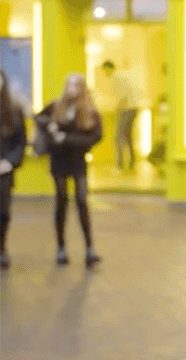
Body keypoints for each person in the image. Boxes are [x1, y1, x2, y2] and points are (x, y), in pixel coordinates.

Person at [35, 73, 103, 267]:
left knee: (82, 201)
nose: (71, 88)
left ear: (82, 88)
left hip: (78, 162)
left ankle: (89, 249)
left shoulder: (89, 112)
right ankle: (61, 247)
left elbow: (93, 138)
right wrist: (51, 127)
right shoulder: (55, 107)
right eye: (69, 84)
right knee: (61, 201)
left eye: (76, 84)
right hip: (59, 162)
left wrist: (65, 138)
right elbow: (39, 119)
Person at [0, 69, 28, 270]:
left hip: (4, 172)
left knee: (3, 213)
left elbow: (20, 143)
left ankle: (1, 248)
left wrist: (9, 162)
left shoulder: (14, 111)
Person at [101, 60, 141, 171]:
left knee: (119, 137)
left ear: (108, 68)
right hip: (132, 108)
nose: (105, 73)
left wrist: (114, 107)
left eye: (105, 70)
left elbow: (122, 95)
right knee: (128, 137)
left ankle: (120, 164)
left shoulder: (117, 77)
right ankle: (131, 163)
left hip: (127, 109)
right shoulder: (121, 76)